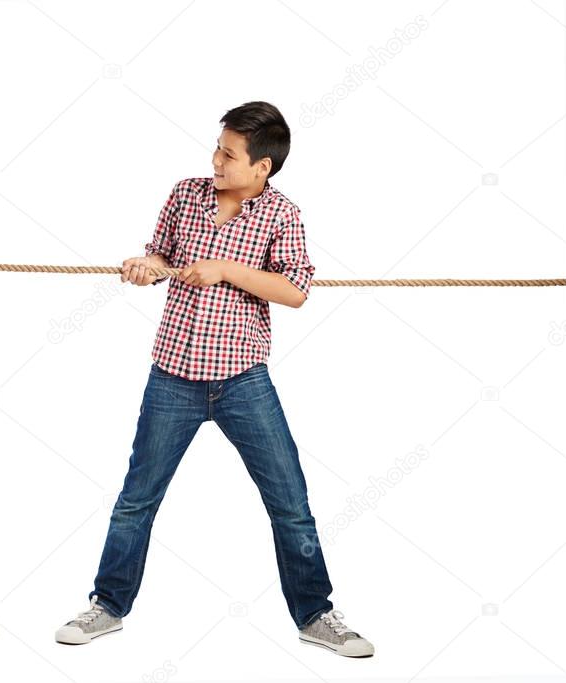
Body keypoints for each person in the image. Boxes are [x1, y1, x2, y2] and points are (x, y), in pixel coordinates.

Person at [54, 102, 374, 658]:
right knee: (137, 499)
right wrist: (146, 266)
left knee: (290, 501)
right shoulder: (185, 193)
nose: (216, 160)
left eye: (229, 154)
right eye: (217, 148)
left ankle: (316, 615)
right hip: (173, 376)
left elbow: (296, 291)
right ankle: (107, 605)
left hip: (243, 381)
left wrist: (227, 270)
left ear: (262, 168)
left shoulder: (282, 214)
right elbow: (160, 254)